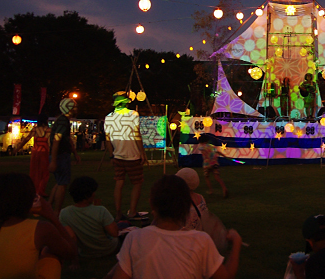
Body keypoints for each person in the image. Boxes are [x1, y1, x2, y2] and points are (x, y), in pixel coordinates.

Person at [110, 174, 242, 279]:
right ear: (186, 206)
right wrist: (236, 242)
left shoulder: (135, 238)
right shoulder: (201, 241)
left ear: (151, 204)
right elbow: (226, 276)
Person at [0, 172, 77, 279]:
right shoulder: (41, 229)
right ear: (28, 198)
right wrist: (52, 217)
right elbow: (71, 253)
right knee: (51, 253)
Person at [105, 92, 148, 221]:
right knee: (137, 183)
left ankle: (118, 213)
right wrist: (142, 152)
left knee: (119, 183)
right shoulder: (133, 114)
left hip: (117, 155)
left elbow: (108, 139)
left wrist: (111, 155)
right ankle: (132, 211)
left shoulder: (108, 117)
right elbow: (136, 134)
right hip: (132, 155)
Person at [59, 176, 120, 259]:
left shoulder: (64, 213)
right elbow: (114, 233)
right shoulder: (100, 211)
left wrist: (75, 260)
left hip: (85, 252)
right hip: (107, 249)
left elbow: (71, 237)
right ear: (88, 194)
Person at [49, 98, 81, 214]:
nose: (76, 109)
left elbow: (67, 139)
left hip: (60, 155)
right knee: (62, 185)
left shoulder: (62, 120)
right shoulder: (63, 121)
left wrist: (75, 153)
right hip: (61, 156)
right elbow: (57, 140)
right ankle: (57, 212)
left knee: (58, 182)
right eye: (74, 107)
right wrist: (53, 160)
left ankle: (48, 207)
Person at [13, 113, 51, 197]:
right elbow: (51, 143)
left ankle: (35, 189)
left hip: (35, 152)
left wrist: (18, 148)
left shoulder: (35, 129)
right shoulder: (48, 130)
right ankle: (41, 190)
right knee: (44, 172)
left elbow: (26, 139)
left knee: (34, 171)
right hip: (44, 152)